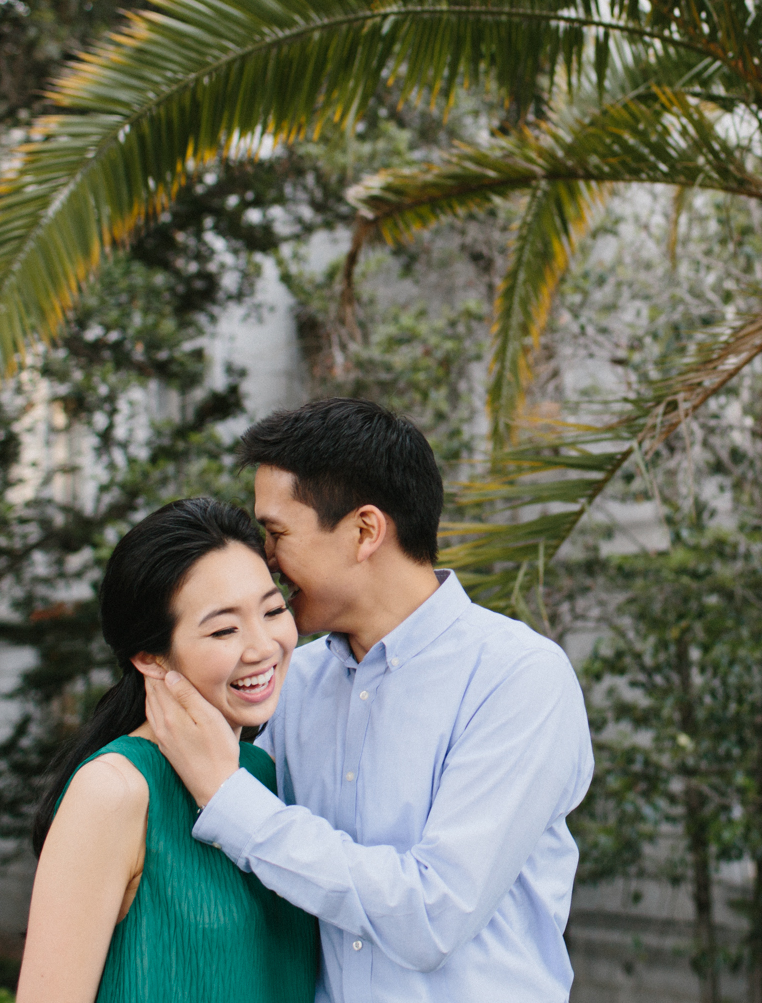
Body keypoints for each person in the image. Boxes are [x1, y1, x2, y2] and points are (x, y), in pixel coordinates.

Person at [142, 398, 594, 1002]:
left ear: (364, 531)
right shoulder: (289, 681)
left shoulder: (517, 678)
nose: (264, 563)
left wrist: (234, 804)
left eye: (276, 535)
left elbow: (433, 916)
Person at [16, 498, 321, 1003]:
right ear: (149, 656)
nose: (263, 645)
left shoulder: (264, 774)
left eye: (273, 610)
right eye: (224, 628)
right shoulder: (114, 790)